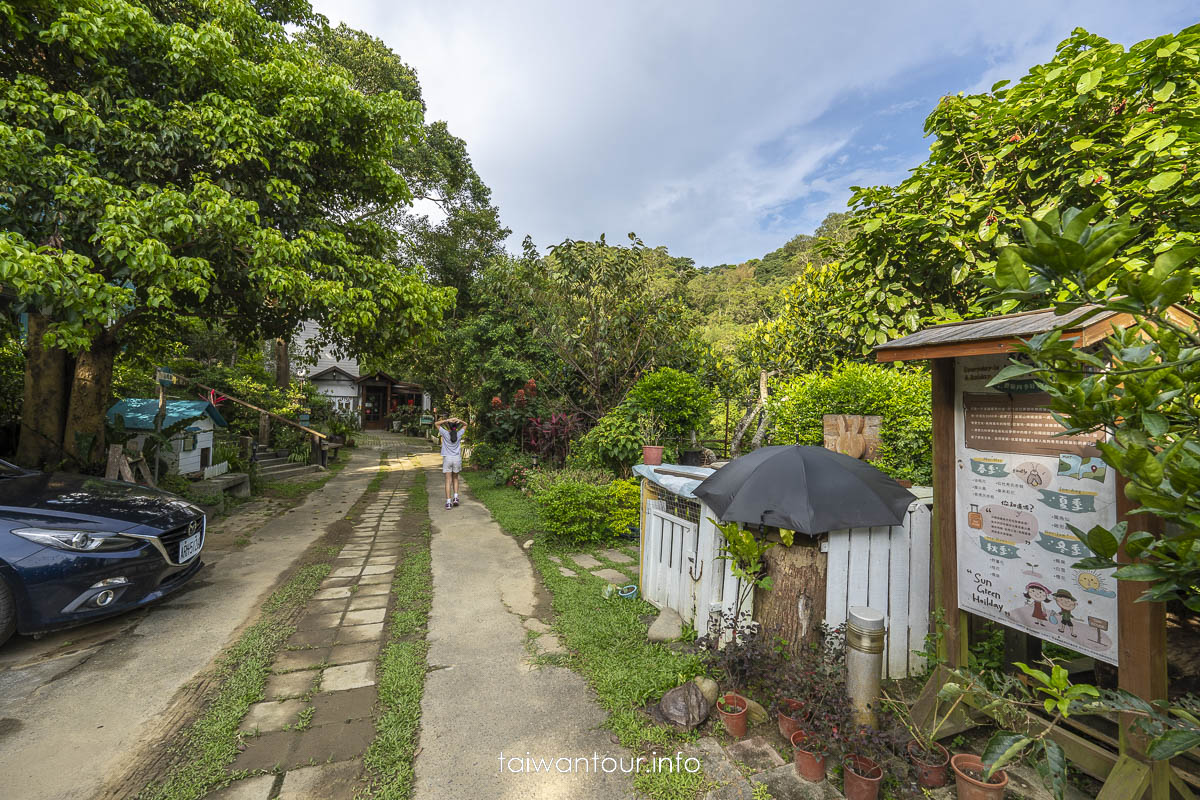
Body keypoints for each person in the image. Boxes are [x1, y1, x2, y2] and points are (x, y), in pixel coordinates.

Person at [435, 416, 466, 510]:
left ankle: (448, 502)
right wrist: (459, 420)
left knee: (448, 480)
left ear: (448, 426)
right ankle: (456, 497)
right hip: (457, 458)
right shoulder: (459, 433)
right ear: (456, 427)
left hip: (447, 458)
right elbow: (465, 425)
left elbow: (436, 423)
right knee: (455, 478)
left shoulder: (444, 433)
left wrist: (447, 420)